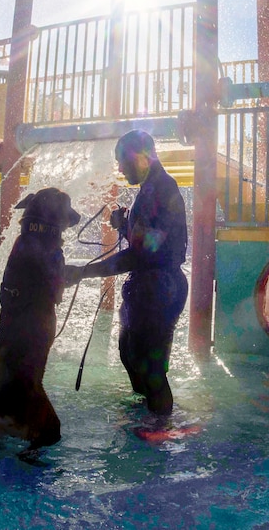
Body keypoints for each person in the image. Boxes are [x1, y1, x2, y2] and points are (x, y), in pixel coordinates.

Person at [66, 130, 188, 415]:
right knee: (129, 353)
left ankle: (159, 430)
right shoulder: (150, 189)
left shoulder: (159, 189)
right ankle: (146, 413)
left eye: (122, 161)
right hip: (148, 287)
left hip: (159, 288)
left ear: (142, 157)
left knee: (151, 369)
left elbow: (139, 255)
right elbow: (148, 242)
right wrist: (124, 224)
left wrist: (83, 272)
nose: (119, 169)